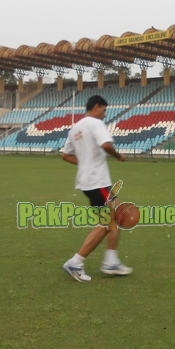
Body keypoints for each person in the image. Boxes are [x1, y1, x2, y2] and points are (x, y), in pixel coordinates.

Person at [60, 95, 132, 282]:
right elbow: (106, 144)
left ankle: (111, 261)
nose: (105, 114)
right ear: (96, 107)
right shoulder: (95, 123)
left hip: (90, 181)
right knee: (109, 221)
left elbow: (65, 155)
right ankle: (76, 262)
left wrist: (84, 163)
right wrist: (118, 156)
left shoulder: (76, 128)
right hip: (97, 181)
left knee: (115, 216)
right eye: (104, 110)